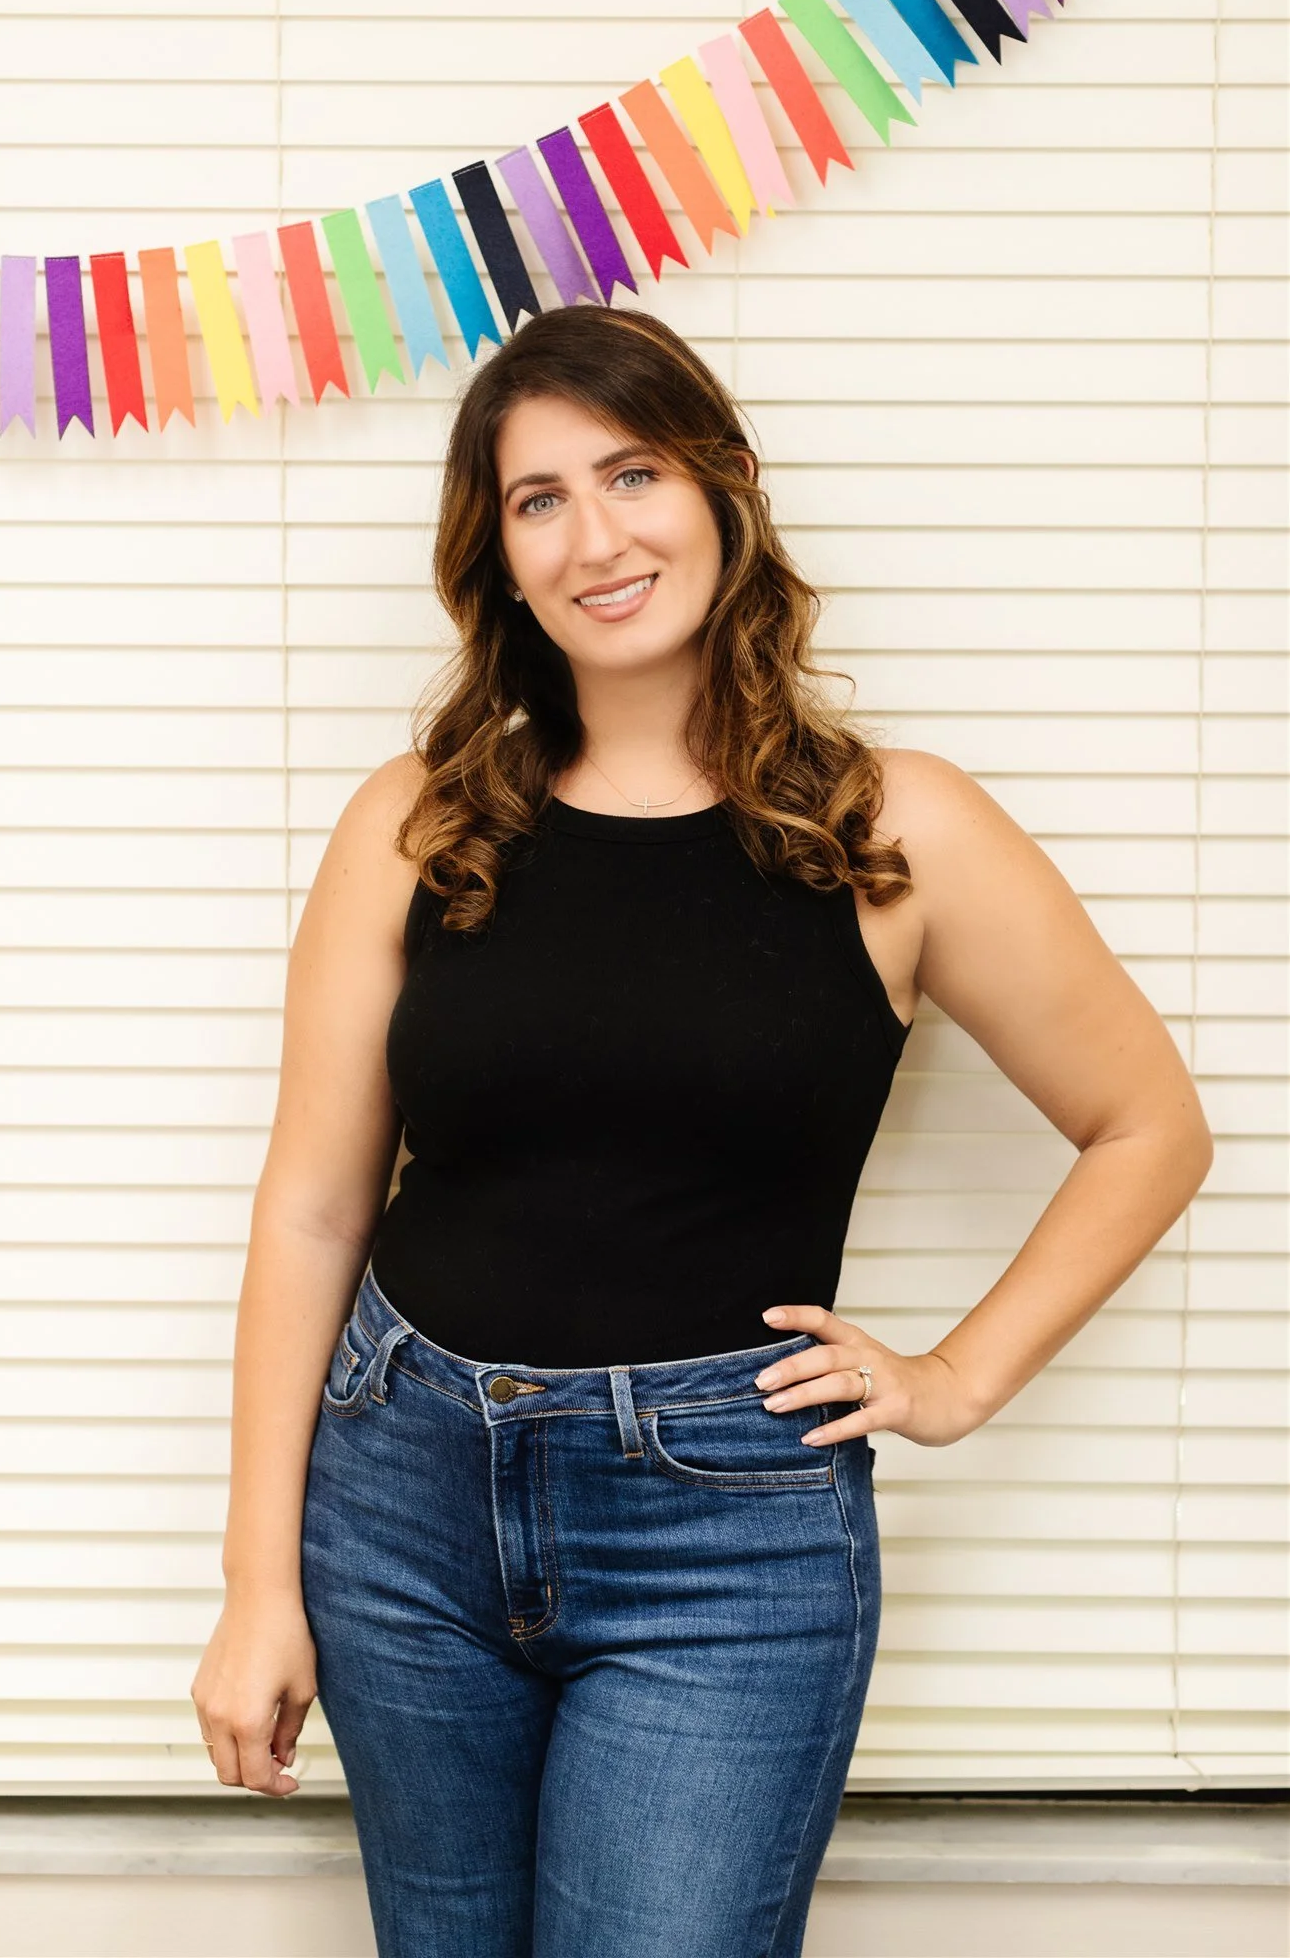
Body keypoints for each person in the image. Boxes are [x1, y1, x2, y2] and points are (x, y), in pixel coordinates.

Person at [190, 303, 1212, 1955]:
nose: (597, 538)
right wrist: (258, 1588)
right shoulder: (418, 818)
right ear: (499, 556)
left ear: (727, 487)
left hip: (725, 1534)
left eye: (635, 473)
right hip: (400, 1501)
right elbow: (312, 1210)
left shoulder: (897, 830)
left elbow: (1148, 1125)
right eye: (539, 501)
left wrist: (956, 1379)